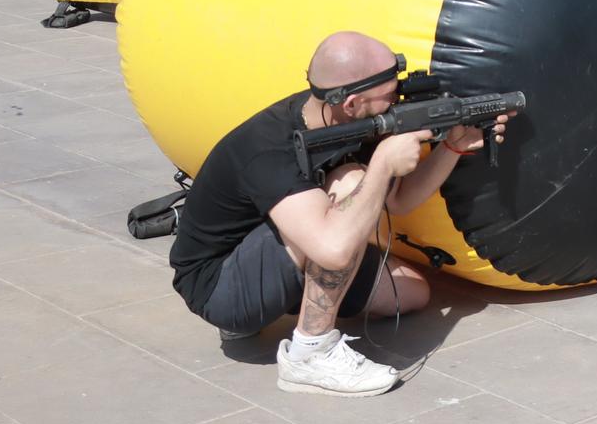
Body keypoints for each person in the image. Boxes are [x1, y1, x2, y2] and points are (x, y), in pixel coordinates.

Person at [169, 32, 511, 396]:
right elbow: (333, 250)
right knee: (351, 184)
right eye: (390, 94)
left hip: (284, 249)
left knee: (411, 295)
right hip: (220, 284)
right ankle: (309, 356)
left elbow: (400, 202)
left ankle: (290, 301)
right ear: (350, 104)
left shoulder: (351, 119)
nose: (397, 99)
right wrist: (381, 164)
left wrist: (452, 149)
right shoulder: (269, 148)